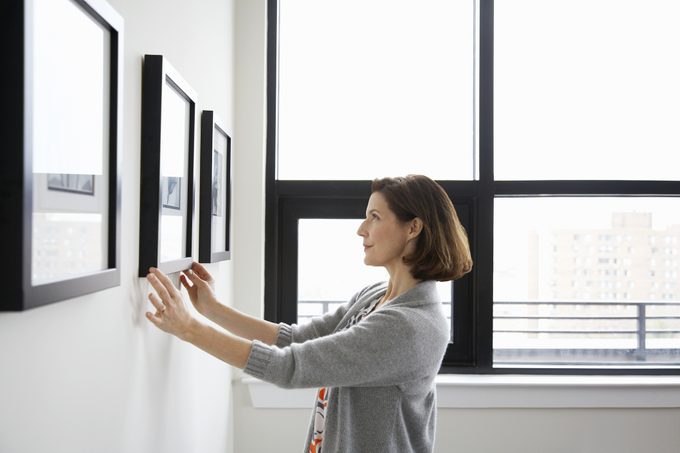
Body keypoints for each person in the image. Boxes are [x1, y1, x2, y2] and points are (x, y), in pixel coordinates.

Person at [145, 174, 473, 453]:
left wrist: (189, 328)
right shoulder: (377, 295)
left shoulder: (410, 326)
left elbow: (289, 366)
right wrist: (212, 310)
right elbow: (297, 339)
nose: (361, 229)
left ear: (413, 227)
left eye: (375, 217)